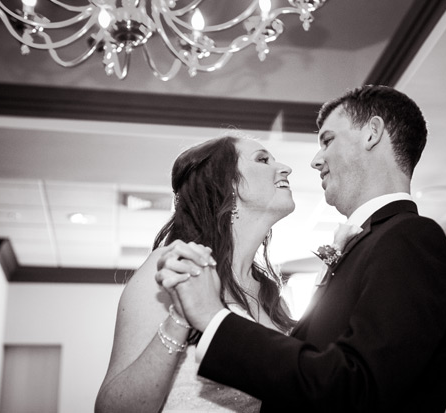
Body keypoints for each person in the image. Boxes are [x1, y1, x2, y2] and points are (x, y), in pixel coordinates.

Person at [159, 85, 446, 412]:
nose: (316, 161)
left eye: (328, 140)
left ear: (372, 134)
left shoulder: (411, 238)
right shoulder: (373, 243)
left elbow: (357, 389)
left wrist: (213, 318)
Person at [94, 135, 297, 413]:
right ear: (228, 185)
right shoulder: (173, 270)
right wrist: (180, 317)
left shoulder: (273, 297)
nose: (286, 168)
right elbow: (113, 409)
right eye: (263, 160)